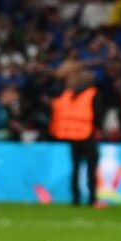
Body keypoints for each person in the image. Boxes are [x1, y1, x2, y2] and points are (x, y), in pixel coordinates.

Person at [49, 63, 100, 206]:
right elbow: (97, 115)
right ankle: (92, 199)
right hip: (88, 135)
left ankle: (76, 198)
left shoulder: (68, 94)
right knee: (91, 168)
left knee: (76, 167)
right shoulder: (92, 94)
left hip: (72, 136)